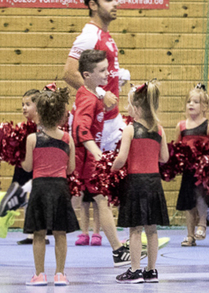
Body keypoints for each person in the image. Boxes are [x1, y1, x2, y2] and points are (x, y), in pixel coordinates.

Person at [63, 0, 129, 250]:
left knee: (113, 181)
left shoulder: (107, 35)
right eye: (109, 0)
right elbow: (69, 73)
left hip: (113, 119)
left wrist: (118, 79)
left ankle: (124, 237)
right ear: (93, 5)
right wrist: (100, 94)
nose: (116, 4)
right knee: (98, 186)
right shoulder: (90, 34)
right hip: (98, 124)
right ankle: (121, 243)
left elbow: (102, 75)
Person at [71, 49, 130, 265]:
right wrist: (95, 150)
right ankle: (118, 249)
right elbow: (80, 127)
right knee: (99, 201)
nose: (108, 74)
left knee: (100, 201)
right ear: (87, 74)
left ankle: (118, 249)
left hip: (87, 158)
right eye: (102, 70)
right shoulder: (88, 99)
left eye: (108, 69)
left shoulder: (92, 93)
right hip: (86, 160)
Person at [112, 82, 170, 284]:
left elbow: (121, 159)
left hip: (135, 183)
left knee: (135, 229)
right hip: (153, 183)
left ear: (136, 108)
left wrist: (110, 168)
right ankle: (151, 271)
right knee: (152, 229)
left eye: (129, 105)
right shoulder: (159, 130)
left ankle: (135, 270)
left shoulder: (130, 129)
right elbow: (164, 158)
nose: (127, 109)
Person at [22, 88, 80, 287]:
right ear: (60, 114)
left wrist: (19, 160)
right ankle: (60, 274)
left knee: (38, 232)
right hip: (60, 188)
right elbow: (71, 168)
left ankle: (39, 274)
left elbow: (28, 167)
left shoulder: (32, 139)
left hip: (39, 188)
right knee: (60, 232)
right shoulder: (67, 138)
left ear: (39, 113)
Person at [0, 89, 48, 244]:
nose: (24, 108)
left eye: (28, 104)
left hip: (38, 165)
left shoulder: (43, 126)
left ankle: (40, 233)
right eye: (22, 104)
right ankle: (31, 232)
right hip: (25, 164)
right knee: (22, 195)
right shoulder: (23, 128)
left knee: (35, 197)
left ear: (38, 106)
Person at [176, 84, 209, 247]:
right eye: (189, 101)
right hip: (188, 169)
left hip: (203, 171)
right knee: (188, 202)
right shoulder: (182, 126)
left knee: (200, 197)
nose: (191, 104)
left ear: (204, 106)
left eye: (196, 102)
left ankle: (202, 224)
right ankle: (190, 235)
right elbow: (177, 148)